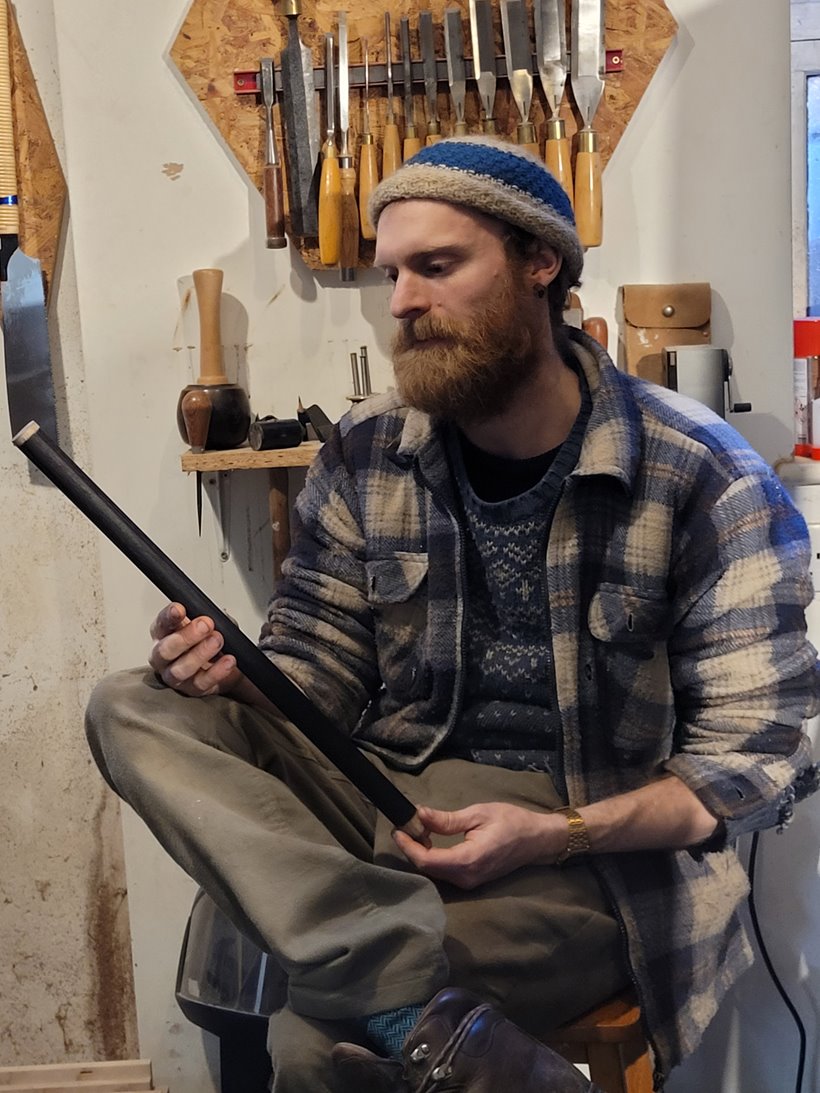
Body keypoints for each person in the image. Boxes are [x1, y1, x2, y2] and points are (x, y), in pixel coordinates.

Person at [86, 137, 818, 1092]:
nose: (402, 303)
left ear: (539, 263)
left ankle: (370, 980)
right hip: (389, 802)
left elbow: (757, 761)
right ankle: (366, 945)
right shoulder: (366, 449)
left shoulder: (700, 473)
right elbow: (318, 670)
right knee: (131, 703)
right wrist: (237, 676)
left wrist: (555, 832)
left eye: (437, 267)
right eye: (393, 274)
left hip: (583, 850)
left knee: (322, 1037)